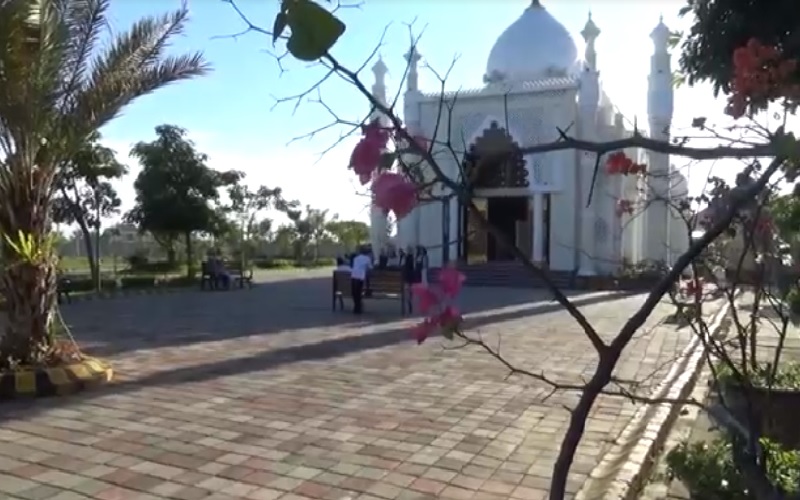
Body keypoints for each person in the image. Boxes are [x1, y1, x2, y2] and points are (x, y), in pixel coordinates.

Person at [350, 246, 372, 314]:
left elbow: (354, 266)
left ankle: (356, 307)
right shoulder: (367, 258)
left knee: (355, 292)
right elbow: (370, 267)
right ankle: (358, 307)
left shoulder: (356, 258)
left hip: (354, 276)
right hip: (360, 276)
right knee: (359, 292)